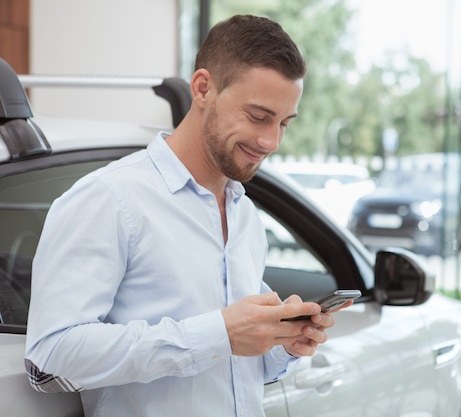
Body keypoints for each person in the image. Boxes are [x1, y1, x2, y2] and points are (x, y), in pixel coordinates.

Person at [25, 14, 350, 417]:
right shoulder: (109, 199)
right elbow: (51, 357)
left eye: (284, 123)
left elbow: (228, 366)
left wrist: (279, 343)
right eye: (258, 116)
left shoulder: (245, 215)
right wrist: (219, 334)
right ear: (202, 88)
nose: (271, 141)